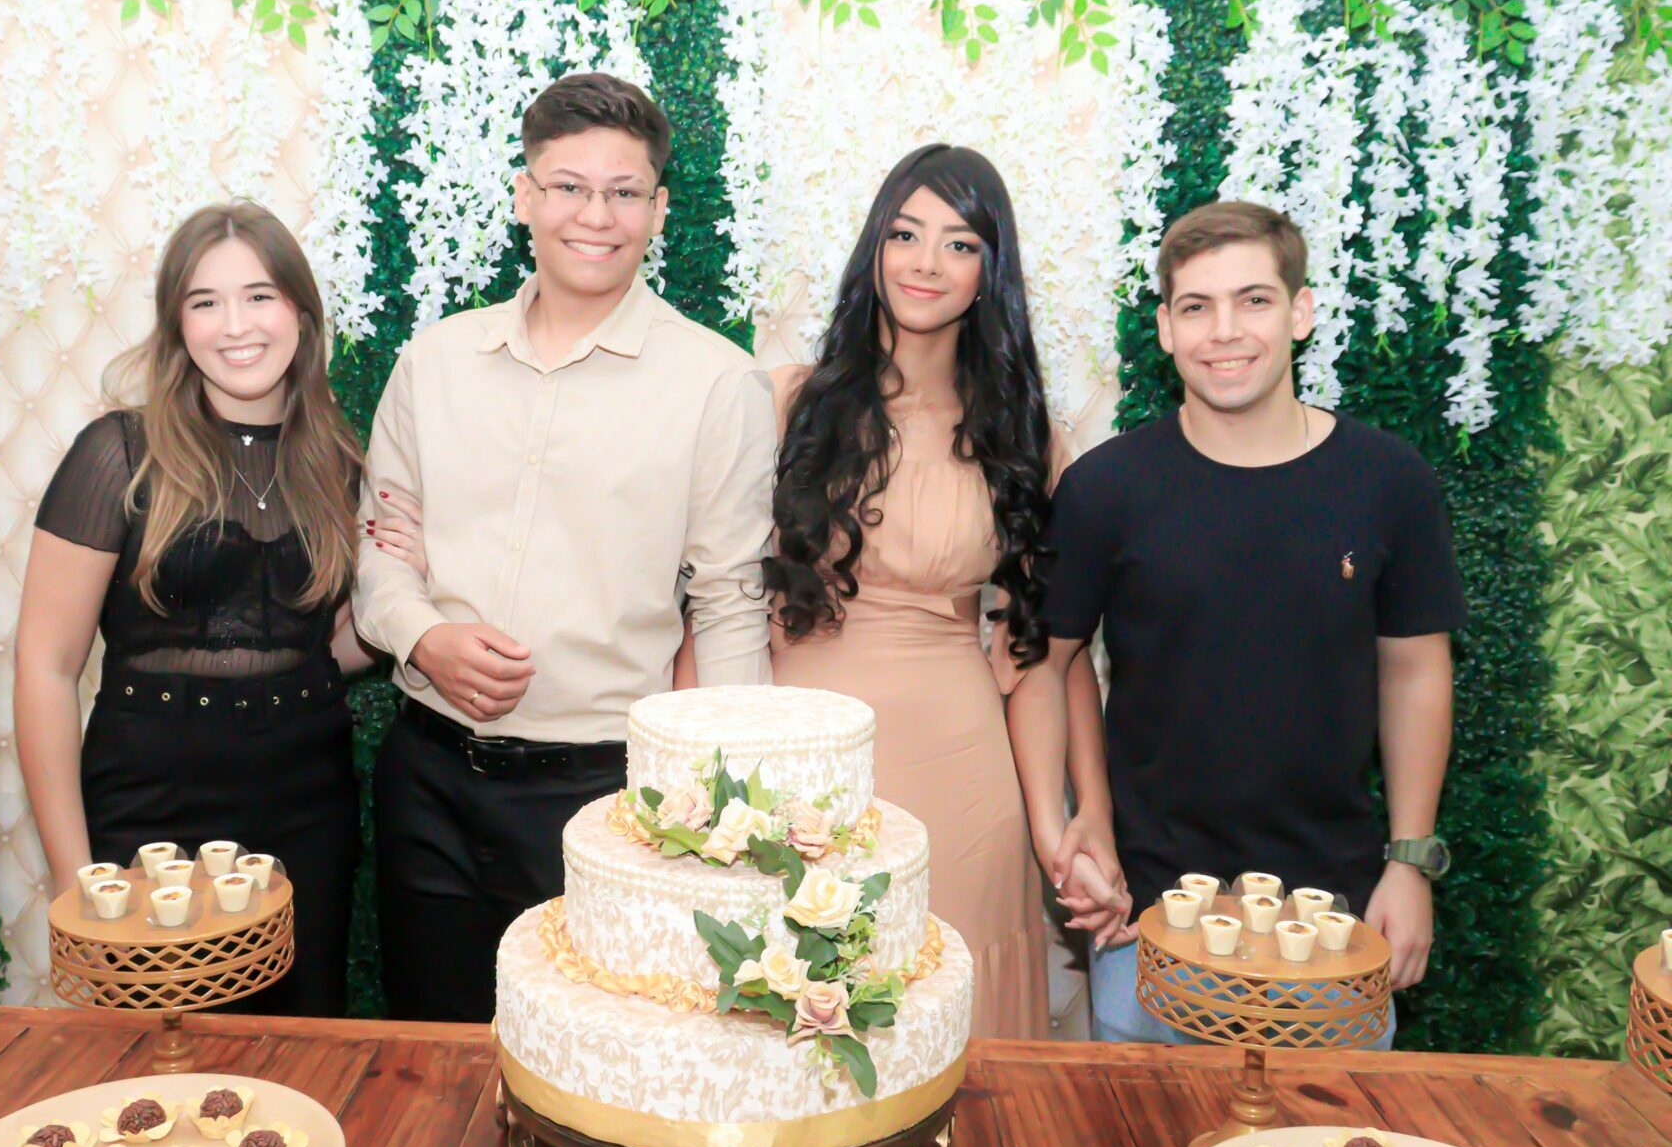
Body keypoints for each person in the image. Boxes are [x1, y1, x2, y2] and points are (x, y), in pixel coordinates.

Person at [352, 72, 775, 1023]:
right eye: (569, 187)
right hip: (427, 777)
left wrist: (726, 808)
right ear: (524, 196)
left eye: (624, 192)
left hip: (604, 798)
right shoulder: (435, 361)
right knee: (437, 1053)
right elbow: (382, 552)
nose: (595, 215)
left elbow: (729, 603)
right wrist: (423, 638)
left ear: (658, 211)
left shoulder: (717, 384)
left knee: (598, 1056)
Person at [1020, 201, 1466, 1044]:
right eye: (1197, 306)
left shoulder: (1389, 481)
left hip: (1332, 916)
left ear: (1301, 312)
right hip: (1149, 915)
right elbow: (1044, 662)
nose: (1225, 331)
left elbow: (1415, 670)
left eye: (1253, 300)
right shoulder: (1107, 489)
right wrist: (1074, 828)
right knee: (1142, 1131)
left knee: (1330, 1132)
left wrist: (1411, 863)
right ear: (1166, 328)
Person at [750, 143, 1121, 1038]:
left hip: (960, 765)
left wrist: (1068, 824)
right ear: (874, 247)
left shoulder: (1028, 439)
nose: (926, 262)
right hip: (797, 756)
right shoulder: (783, 404)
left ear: (991, 271)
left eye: (960, 244)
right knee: (791, 1003)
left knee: (948, 1005)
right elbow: (714, 602)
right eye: (906, 234)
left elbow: (1046, 654)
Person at [16, 201, 377, 1017]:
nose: (235, 325)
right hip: (150, 803)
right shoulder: (120, 453)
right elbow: (45, 666)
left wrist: (409, 598)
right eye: (205, 302)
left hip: (308, 802)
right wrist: (77, 882)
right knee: (160, 1056)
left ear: (300, 313)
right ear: (177, 326)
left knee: (296, 1052)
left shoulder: (339, 461)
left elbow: (324, 645)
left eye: (259, 296)